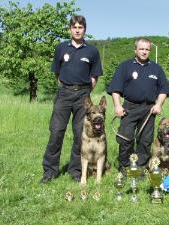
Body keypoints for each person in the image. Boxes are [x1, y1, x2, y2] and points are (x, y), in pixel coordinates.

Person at [40, 15, 103, 183]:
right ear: (70, 29)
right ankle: (49, 171)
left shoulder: (92, 51)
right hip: (64, 94)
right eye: (74, 27)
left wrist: (84, 91)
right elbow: (57, 73)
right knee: (56, 132)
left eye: (80, 27)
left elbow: (94, 77)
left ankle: (75, 171)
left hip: (83, 96)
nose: (77, 30)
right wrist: (65, 88)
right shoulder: (61, 48)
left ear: (84, 30)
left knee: (78, 134)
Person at [107, 37, 169, 175]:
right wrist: (117, 106)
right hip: (129, 108)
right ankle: (124, 167)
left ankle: (140, 167)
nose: (144, 52)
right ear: (135, 50)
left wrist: (158, 104)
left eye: (147, 49)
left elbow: (164, 90)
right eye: (141, 49)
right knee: (125, 139)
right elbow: (115, 89)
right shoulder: (125, 66)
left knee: (145, 141)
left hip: (149, 110)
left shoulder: (156, 68)